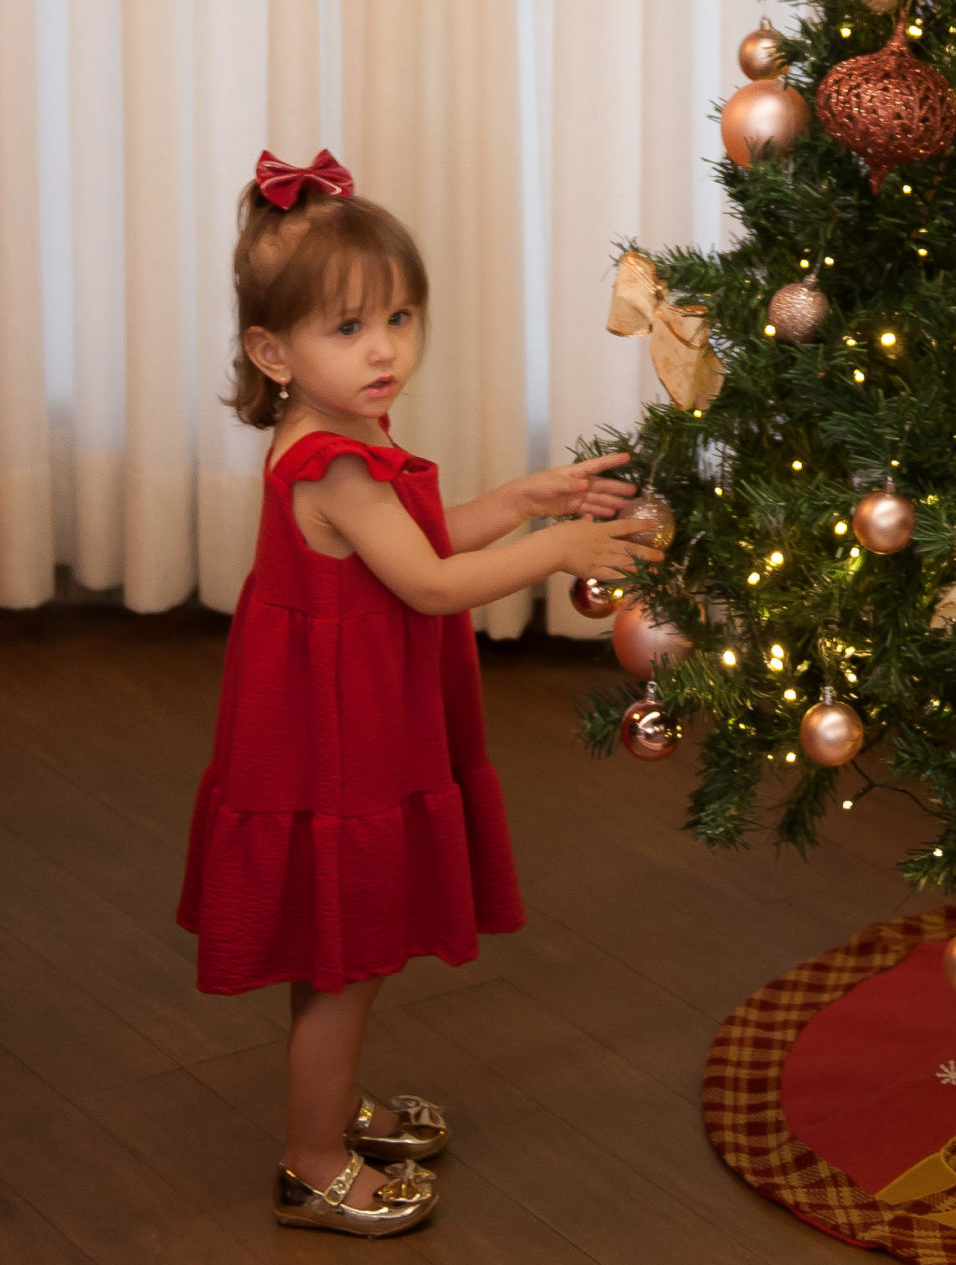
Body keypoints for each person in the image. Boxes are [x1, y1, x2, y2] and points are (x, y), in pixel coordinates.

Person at [177, 149, 652, 1237]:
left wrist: (525, 500)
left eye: (397, 317)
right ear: (273, 350)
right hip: (338, 744)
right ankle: (309, 1159)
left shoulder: (349, 436)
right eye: (347, 329)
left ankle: (332, 1108)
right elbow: (432, 581)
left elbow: (423, 535)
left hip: (346, 720)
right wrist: (557, 546)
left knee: (339, 949)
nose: (384, 347)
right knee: (344, 960)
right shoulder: (331, 464)